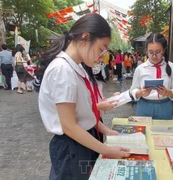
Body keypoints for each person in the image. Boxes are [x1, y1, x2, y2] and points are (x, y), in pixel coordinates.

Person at [35, 13, 130, 180]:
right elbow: (69, 126)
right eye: (101, 49)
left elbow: (86, 113)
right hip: (72, 145)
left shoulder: (76, 68)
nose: (102, 56)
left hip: (84, 140)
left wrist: (107, 131)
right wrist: (107, 150)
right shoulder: (62, 70)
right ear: (85, 37)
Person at [130, 33, 173, 120]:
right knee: (144, 132)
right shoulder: (140, 69)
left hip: (164, 106)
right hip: (144, 106)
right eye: (150, 52)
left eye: (158, 52)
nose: (154, 56)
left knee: (163, 132)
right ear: (146, 51)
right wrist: (140, 92)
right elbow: (133, 89)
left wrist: (167, 92)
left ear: (164, 50)